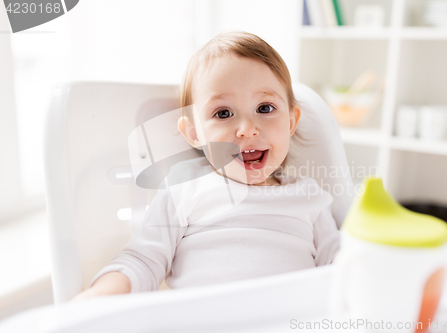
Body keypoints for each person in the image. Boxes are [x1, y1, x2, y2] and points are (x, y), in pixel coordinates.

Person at [71, 31, 340, 302]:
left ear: (291, 122)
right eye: (223, 113)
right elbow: (143, 259)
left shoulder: (309, 195)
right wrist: (101, 294)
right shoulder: (184, 188)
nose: (247, 129)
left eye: (265, 108)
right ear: (194, 133)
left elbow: (338, 263)